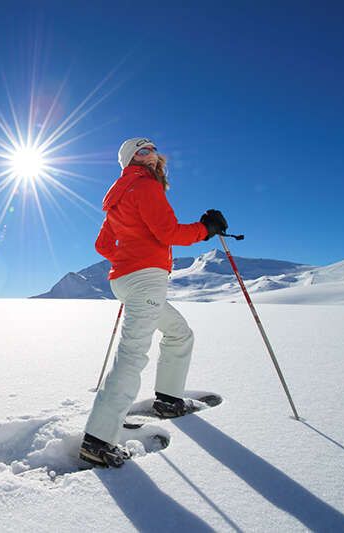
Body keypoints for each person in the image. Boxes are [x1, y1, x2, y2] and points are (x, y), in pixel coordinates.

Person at [79, 137, 227, 468]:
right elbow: (168, 232)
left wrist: (127, 258)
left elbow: (103, 244)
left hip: (129, 280)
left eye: (154, 149)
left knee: (178, 333)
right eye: (143, 150)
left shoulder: (118, 196)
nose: (152, 155)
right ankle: (98, 441)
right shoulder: (144, 186)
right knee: (132, 355)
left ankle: (169, 400)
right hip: (145, 279)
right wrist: (206, 229)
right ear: (131, 158)